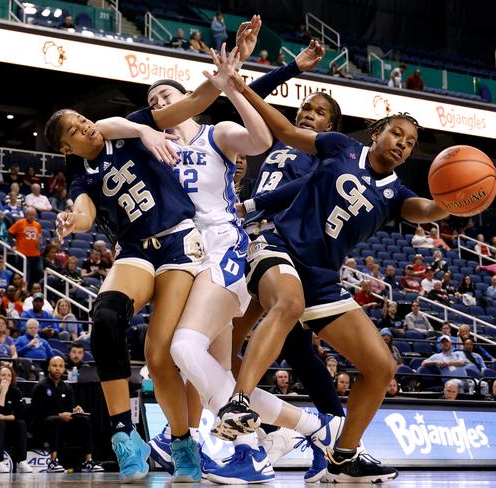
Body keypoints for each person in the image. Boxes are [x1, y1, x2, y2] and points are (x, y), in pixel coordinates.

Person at [100, 43, 342, 484]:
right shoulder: (152, 150)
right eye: (152, 104)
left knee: (182, 349)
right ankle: (290, 434)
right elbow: (100, 128)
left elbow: (263, 140)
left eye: (166, 98)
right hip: (185, 260)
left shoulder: (216, 134)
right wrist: (144, 131)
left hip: (223, 249)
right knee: (218, 370)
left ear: (188, 99)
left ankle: (274, 437)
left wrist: (231, 85)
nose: (158, 106)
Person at [220, 50, 450, 482]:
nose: (402, 143)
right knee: (285, 305)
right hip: (278, 246)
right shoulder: (340, 146)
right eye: (397, 134)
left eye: (410, 143)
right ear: (377, 132)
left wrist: (453, 203)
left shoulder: (396, 193)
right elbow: (286, 130)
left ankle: (343, 454)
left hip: (324, 278)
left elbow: (423, 210)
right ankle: (239, 402)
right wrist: (239, 85)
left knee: (381, 367)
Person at [45, 51, 228, 481]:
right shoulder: (81, 175)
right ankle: (125, 435)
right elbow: (86, 212)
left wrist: (220, 81)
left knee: (158, 356)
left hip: (179, 241)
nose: (84, 124)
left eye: (81, 118)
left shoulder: (131, 126)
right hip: (134, 249)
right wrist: (74, 223)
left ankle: (182, 443)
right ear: (67, 146)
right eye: (74, 128)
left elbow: (188, 105)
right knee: (106, 318)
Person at [30, 356, 104, 473]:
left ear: (64, 369)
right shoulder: (40, 387)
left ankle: (88, 461)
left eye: (60, 366)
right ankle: (53, 462)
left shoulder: (67, 387)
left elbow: (69, 409)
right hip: (43, 424)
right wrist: (59, 415)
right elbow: (36, 412)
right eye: (54, 366)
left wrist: (76, 410)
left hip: (63, 424)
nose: (57, 369)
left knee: (85, 420)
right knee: (56, 420)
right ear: (49, 368)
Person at [0, 365, 32, 472]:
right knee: (0, 423)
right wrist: (3, 393)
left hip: (8, 423)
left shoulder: (16, 391)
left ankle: (21, 461)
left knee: (21, 423)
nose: (7, 377)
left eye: (9, 375)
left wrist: (6, 417)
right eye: (3, 375)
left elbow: (22, 413)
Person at [8, 206, 43, 285]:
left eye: (33, 215)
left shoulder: (37, 225)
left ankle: (35, 289)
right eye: (30, 215)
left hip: (36, 254)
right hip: (23, 253)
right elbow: (10, 233)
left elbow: (40, 237)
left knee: (39, 271)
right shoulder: (20, 223)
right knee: (26, 274)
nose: (32, 216)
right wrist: (12, 245)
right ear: (26, 214)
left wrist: (40, 244)